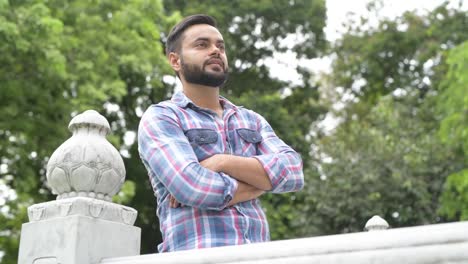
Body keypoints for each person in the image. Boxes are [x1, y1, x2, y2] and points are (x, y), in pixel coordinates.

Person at [138, 14, 304, 252]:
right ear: (175, 61)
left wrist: (221, 162)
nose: (215, 50)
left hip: (258, 256)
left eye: (220, 46)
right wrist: (261, 183)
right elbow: (193, 186)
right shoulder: (163, 117)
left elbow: (293, 172)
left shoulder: (252, 121)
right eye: (202, 45)